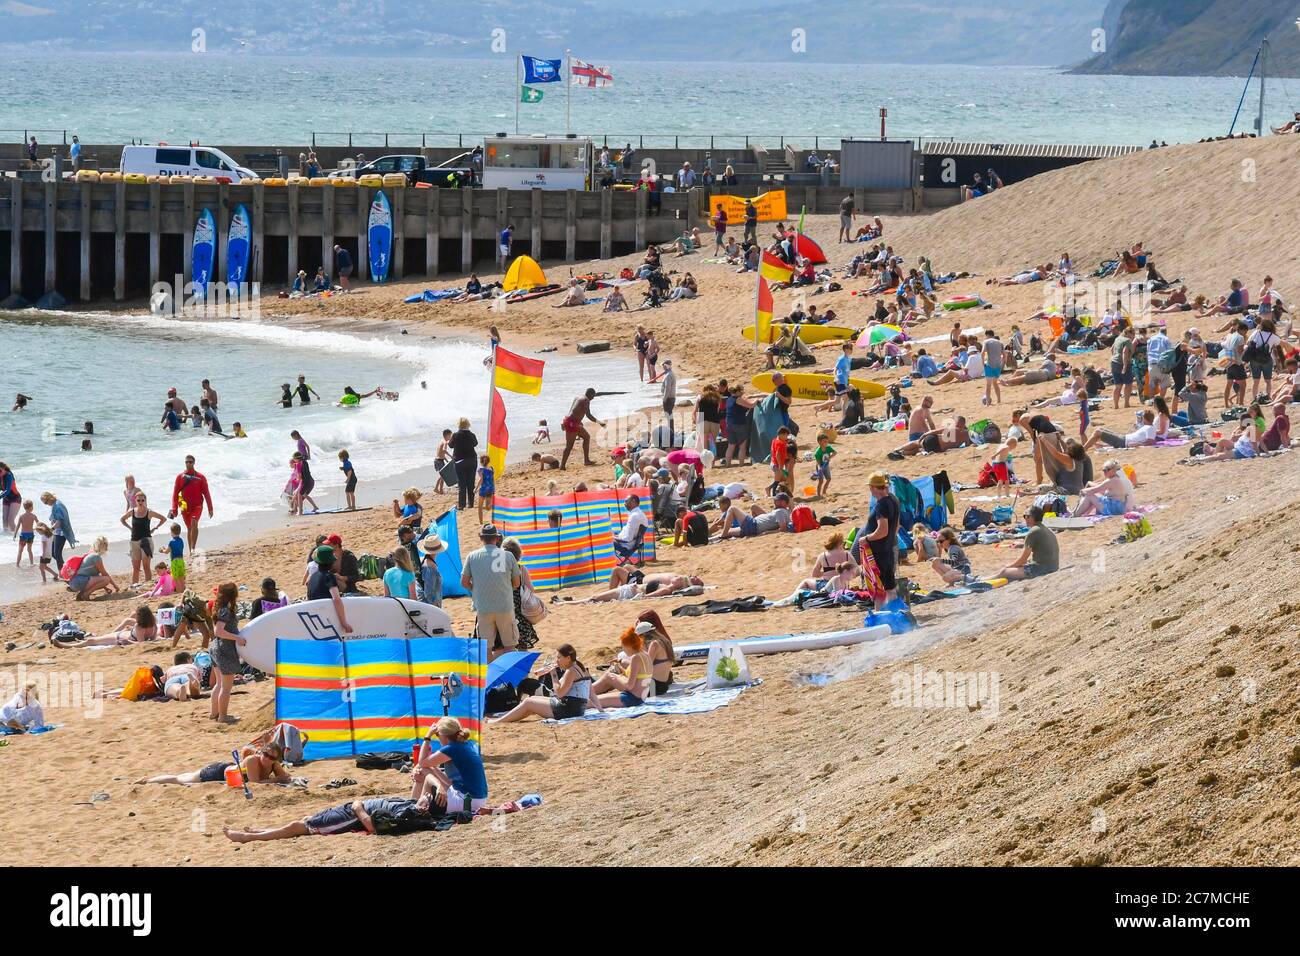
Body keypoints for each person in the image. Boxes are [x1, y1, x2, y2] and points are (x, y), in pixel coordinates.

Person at [490, 643, 594, 723]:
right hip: (576, 709)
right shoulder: (580, 667)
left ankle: (497, 721)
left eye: (559, 658)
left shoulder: (570, 671)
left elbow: (559, 693)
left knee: (528, 702)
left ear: (567, 658)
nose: (557, 661)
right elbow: (591, 693)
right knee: (530, 701)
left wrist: (553, 674)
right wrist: (600, 710)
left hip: (567, 711)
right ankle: (506, 718)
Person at [462, 524, 521, 659]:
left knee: (485, 648)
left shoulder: (472, 556)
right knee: (510, 646)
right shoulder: (508, 556)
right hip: (504, 606)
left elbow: (464, 582)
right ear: (496, 539)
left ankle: (489, 678)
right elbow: (516, 583)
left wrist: (475, 589)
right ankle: (508, 677)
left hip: (483, 607)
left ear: (482, 539)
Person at [413, 716, 488, 814]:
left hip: (467, 801)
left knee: (423, 771)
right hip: (477, 800)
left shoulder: (451, 749)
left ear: (443, 735)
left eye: (437, 735)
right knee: (423, 769)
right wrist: (419, 767)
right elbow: (449, 781)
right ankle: (413, 804)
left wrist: (427, 737)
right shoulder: (465, 744)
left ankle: (414, 807)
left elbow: (422, 762)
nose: (438, 738)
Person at [143, 742, 291, 787]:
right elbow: (255, 782)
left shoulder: (273, 764)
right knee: (179, 780)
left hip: (229, 770)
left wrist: (281, 774)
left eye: (271, 757)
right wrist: (278, 779)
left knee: (184, 777)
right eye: (265, 754)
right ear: (260, 752)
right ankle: (147, 781)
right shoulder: (253, 760)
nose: (266, 758)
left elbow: (286, 778)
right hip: (219, 772)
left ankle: (148, 780)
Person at [854, 473, 899, 608]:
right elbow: (896, 526)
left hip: (878, 552)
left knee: (877, 589)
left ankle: (881, 616)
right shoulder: (893, 500)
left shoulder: (881, 505)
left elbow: (882, 530)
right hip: (887, 549)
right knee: (889, 587)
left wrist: (866, 538)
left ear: (873, 488)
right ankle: (894, 612)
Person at [208, 582, 245, 722]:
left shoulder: (218, 608)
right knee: (226, 687)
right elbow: (219, 631)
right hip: (224, 649)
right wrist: (238, 638)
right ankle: (223, 716)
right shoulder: (225, 610)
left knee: (219, 684)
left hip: (215, 648)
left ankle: (214, 713)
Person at [591, 628, 654, 708]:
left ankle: (583, 693)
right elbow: (638, 677)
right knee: (609, 676)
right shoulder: (645, 654)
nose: (623, 649)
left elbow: (629, 686)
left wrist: (616, 678)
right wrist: (621, 670)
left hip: (632, 698)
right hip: (637, 697)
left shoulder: (636, 658)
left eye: (623, 647)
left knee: (590, 701)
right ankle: (585, 692)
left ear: (628, 646)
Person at [998, 506, 1059, 580]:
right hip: (1054, 566)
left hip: (1043, 569)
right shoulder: (1045, 529)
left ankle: (984, 580)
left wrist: (1009, 566)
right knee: (1024, 563)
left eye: (1026, 516)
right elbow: (1040, 546)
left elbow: (1023, 559)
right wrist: (1021, 545)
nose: (1025, 518)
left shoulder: (1033, 531)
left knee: (1005, 572)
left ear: (1033, 517)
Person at [53, 605, 158, 648]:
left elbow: (141, 645)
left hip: (120, 638)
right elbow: (152, 639)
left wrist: (129, 642)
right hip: (125, 634)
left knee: (92, 641)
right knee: (94, 640)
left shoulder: (140, 627)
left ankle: (66, 646)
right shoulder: (153, 623)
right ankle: (78, 642)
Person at [118, 491, 165, 584]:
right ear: (135, 500)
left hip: (146, 541)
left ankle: (148, 585)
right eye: (138, 500)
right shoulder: (132, 511)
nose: (140, 502)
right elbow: (122, 519)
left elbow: (163, 518)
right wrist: (130, 528)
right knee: (136, 568)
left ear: (145, 500)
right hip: (134, 541)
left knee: (146, 566)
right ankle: (134, 585)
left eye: (142, 500)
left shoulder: (149, 512)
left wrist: (155, 528)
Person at [501, 538, 540, 650]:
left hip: (505, 608)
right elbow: (531, 590)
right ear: (518, 554)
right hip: (520, 610)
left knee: (506, 645)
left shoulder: (499, 569)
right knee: (522, 643)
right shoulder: (521, 569)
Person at [169, 455, 212, 552]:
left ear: (194, 463)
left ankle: (193, 548)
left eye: (190, 462)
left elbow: (206, 493)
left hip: (198, 505)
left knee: (194, 523)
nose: (188, 463)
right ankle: (191, 551)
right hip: (185, 507)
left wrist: (210, 508)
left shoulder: (201, 477)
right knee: (189, 528)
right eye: (186, 462)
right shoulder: (180, 477)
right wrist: (174, 508)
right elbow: (175, 494)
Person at [306, 545, 354, 633]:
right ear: (331, 562)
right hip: (326, 614)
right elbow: (336, 599)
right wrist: (344, 623)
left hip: (314, 614)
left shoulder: (313, 576)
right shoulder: (329, 577)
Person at [1072, 459, 1137, 517]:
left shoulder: (1112, 480)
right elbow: (1099, 489)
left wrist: (1082, 490)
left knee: (1089, 495)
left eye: (1107, 470)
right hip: (1118, 507)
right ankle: (1078, 513)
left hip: (1114, 508)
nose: (1105, 472)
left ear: (1114, 470)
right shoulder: (1116, 478)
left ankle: (1076, 514)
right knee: (1092, 495)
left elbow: (1094, 490)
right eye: (1104, 470)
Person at [560, 388, 605, 470]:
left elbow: (574, 411)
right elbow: (588, 415)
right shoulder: (586, 400)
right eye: (593, 396)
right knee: (569, 446)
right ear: (590, 394)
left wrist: (577, 422)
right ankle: (562, 466)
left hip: (571, 421)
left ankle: (586, 460)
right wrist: (600, 422)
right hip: (571, 423)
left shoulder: (579, 397)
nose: (593, 398)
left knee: (586, 437)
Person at [68, 535, 117, 600]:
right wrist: (115, 586)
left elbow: (96, 577)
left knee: (104, 579)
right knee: (106, 579)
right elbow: (104, 574)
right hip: (79, 581)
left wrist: (105, 588)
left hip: (75, 581)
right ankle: (86, 594)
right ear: (103, 546)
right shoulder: (96, 557)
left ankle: (81, 594)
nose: (107, 549)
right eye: (106, 546)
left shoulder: (90, 554)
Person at [41, 490, 75, 572]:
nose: (46, 505)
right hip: (57, 532)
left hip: (61, 533)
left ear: (49, 499)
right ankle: (67, 569)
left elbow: (59, 522)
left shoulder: (57, 506)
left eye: (45, 503)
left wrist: (50, 529)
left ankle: (62, 572)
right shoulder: (55, 504)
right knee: (53, 553)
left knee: (57, 553)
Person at [449, 418, 479, 510]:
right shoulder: (472, 435)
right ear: (468, 425)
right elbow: (475, 444)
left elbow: (450, 445)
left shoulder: (455, 435)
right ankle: (471, 504)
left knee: (462, 483)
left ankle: (462, 505)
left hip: (459, 461)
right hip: (471, 460)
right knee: (471, 482)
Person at [613, 494, 651, 564]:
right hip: (630, 544)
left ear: (633, 501)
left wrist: (613, 538)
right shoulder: (639, 514)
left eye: (626, 501)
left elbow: (627, 539)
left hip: (625, 547)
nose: (624, 504)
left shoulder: (634, 516)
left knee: (604, 541)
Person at [0, 462, 20, 534]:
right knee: (4, 519)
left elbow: (7, 490)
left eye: (0, 471)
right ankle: (7, 539)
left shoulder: (9, 475)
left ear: (4, 469)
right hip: (6, 498)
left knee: (10, 519)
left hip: (15, 498)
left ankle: (15, 537)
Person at [475, 453, 495, 524]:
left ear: (480, 461)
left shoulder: (480, 470)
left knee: (480, 506)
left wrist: (476, 489)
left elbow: (481, 480)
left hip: (483, 489)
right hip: (490, 488)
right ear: (488, 461)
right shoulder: (492, 468)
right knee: (488, 508)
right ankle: (492, 504)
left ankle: (481, 523)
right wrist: (493, 489)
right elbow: (492, 480)